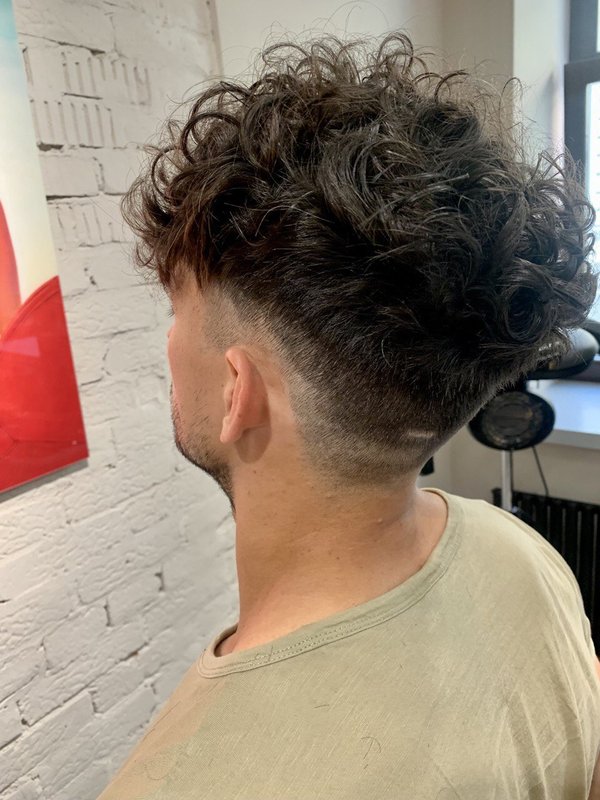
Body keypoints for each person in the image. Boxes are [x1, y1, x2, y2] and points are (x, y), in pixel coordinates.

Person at [97, 31, 600, 799]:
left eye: (178, 311)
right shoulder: (524, 557)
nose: (168, 343)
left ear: (237, 392)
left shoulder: (179, 784)